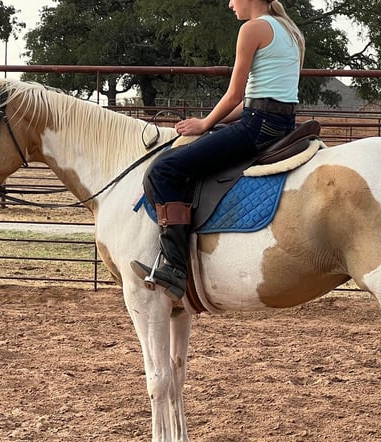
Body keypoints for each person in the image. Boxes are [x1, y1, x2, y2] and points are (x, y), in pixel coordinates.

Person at [131, 0, 305, 301]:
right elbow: (256, 100)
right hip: (281, 124)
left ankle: (174, 267)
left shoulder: (252, 29)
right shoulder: (291, 31)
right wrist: (212, 122)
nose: (230, 4)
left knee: (163, 170)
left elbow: (235, 94)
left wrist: (205, 123)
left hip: (255, 128)